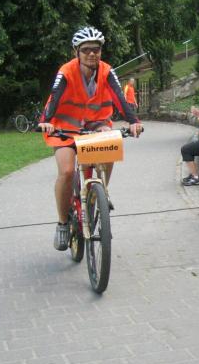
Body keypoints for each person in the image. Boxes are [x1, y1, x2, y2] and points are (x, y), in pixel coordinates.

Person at [39, 26, 143, 252]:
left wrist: (133, 121)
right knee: (67, 171)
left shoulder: (106, 71)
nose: (92, 54)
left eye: (96, 49)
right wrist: (46, 120)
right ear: (76, 52)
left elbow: (119, 96)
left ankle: (99, 194)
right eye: (86, 50)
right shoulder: (66, 71)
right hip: (65, 127)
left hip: (96, 123)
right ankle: (63, 223)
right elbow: (54, 97)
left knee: (111, 143)